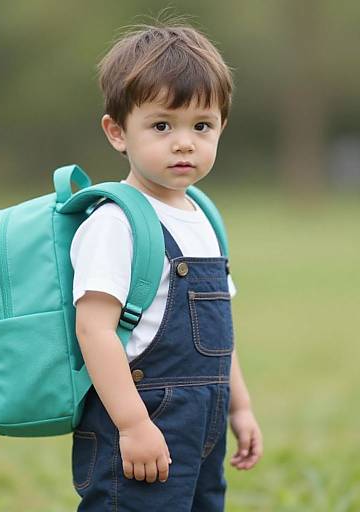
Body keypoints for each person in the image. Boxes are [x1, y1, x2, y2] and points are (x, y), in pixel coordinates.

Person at [70, 19, 263, 511]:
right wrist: (133, 425)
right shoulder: (117, 221)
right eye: (162, 125)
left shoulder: (204, 216)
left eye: (202, 126)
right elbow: (94, 330)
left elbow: (220, 331)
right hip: (141, 415)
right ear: (118, 132)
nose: (184, 142)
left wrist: (238, 406)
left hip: (205, 419)